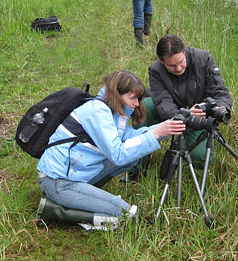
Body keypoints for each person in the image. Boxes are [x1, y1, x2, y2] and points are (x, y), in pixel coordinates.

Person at [36, 70, 185, 230]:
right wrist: (156, 133)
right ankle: (52, 210)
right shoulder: (97, 111)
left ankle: (82, 198)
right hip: (59, 181)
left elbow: (132, 138)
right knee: (125, 212)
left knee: (133, 155)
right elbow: (118, 155)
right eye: (132, 98)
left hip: (77, 174)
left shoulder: (112, 112)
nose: (136, 103)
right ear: (116, 94)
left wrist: (170, 125)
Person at [133, 35, 232, 176]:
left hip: (200, 116)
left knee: (200, 159)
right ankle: (136, 168)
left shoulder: (203, 58)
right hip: (173, 113)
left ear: (184, 53)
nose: (178, 68)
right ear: (162, 62)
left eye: (181, 62)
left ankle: (191, 143)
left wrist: (222, 108)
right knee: (144, 107)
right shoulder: (155, 71)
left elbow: (220, 91)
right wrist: (183, 115)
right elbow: (163, 102)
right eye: (172, 66)